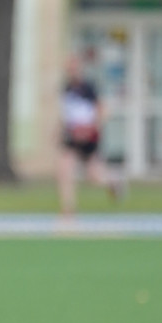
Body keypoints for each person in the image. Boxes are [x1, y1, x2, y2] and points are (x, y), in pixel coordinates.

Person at [57, 51, 119, 217]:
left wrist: (91, 128)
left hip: (89, 136)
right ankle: (68, 207)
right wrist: (59, 131)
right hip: (72, 135)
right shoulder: (66, 88)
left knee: (93, 177)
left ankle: (112, 181)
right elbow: (66, 114)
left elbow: (102, 110)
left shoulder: (89, 88)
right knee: (64, 169)